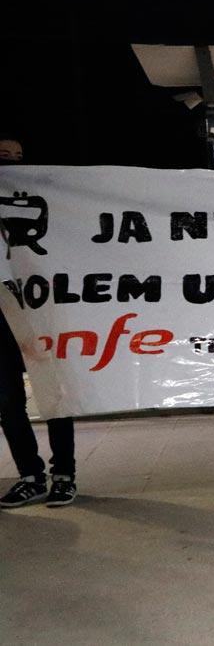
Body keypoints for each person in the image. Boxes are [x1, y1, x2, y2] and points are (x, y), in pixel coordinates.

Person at [0, 134, 78, 507]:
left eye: (18, 157)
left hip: (38, 312)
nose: (12, 164)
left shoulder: (43, 200)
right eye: (4, 157)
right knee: (8, 400)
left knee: (55, 393)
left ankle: (64, 474)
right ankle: (30, 476)